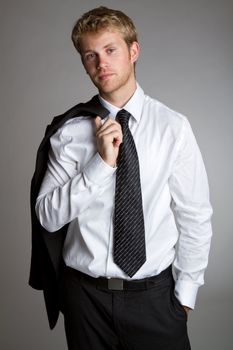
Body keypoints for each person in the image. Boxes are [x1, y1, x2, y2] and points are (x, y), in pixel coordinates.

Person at [29, 6, 213, 350]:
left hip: (155, 298)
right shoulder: (69, 132)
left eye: (111, 50)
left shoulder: (173, 128)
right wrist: (100, 164)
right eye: (90, 55)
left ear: (134, 50)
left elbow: (194, 216)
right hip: (85, 299)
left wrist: (185, 297)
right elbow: (47, 217)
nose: (101, 63)